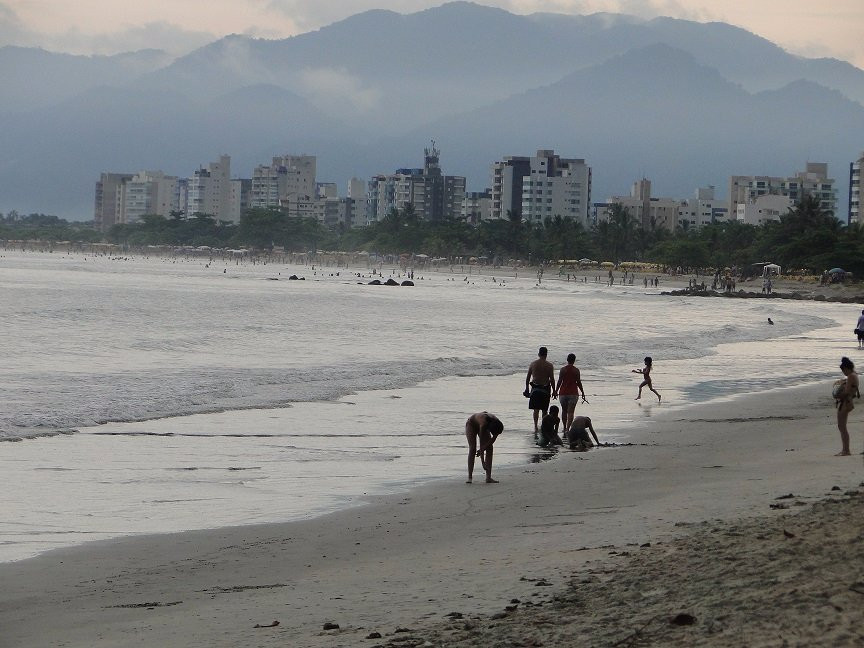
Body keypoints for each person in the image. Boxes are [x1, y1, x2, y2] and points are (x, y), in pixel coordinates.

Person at [525, 346, 555, 438]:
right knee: (544, 411)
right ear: (546, 355)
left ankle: (535, 426)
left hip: (535, 390)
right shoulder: (549, 365)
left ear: (538, 354)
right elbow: (552, 379)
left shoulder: (533, 364)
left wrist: (526, 388)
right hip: (545, 390)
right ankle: (544, 426)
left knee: (536, 410)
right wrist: (554, 391)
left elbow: (528, 378)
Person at [464, 412, 504, 483]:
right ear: (490, 429)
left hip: (484, 425)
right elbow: (481, 443)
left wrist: (484, 447)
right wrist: (483, 462)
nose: (495, 435)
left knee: (490, 448)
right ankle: (470, 477)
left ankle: (488, 478)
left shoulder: (497, 424)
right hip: (471, 424)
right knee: (472, 448)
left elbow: (493, 438)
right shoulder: (484, 424)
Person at [556, 353, 585, 434]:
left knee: (564, 411)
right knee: (571, 412)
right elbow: (578, 382)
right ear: (574, 360)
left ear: (567, 360)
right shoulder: (576, 370)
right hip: (573, 393)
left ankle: (564, 427)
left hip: (563, 393)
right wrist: (582, 391)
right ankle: (567, 429)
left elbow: (559, 381)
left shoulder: (563, 369)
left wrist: (555, 391)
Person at [835, 357, 859, 456]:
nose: (843, 372)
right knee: (842, 426)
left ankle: (846, 450)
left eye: (843, 370)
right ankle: (845, 449)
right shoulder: (854, 375)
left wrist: (837, 394)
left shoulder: (850, 376)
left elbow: (847, 392)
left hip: (846, 403)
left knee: (842, 427)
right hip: (848, 402)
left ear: (846, 368)